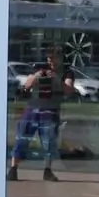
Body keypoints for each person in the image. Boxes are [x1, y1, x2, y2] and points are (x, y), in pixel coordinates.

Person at [6, 47, 74, 182]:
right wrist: (37, 75)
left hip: (50, 110)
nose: (51, 62)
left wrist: (55, 79)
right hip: (32, 108)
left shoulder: (66, 73)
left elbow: (68, 90)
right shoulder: (39, 69)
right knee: (22, 139)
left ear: (61, 58)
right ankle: (13, 169)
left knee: (49, 142)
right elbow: (26, 86)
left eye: (54, 59)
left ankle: (47, 171)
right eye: (49, 59)